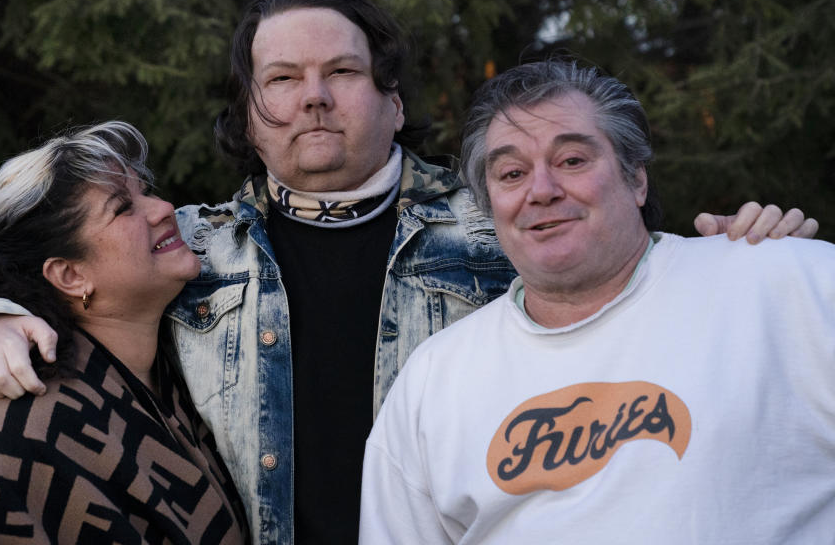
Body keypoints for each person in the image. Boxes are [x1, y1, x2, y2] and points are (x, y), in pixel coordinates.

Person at [0, 0, 817, 545]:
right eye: (281, 80)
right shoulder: (189, 245)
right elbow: (41, 262)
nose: (313, 98)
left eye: (342, 73)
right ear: (247, 116)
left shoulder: (504, 212)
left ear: (392, 100)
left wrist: (753, 251)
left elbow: (634, 261)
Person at [358, 60, 835, 544]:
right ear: (489, 208)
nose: (540, 191)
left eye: (572, 161)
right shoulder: (433, 382)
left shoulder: (781, 284)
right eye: (512, 173)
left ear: (636, 180)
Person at [0, 122, 248, 543]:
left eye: (145, 191)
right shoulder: (16, 418)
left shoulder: (184, 355)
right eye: (123, 208)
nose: (162, 208)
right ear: (71, 275)